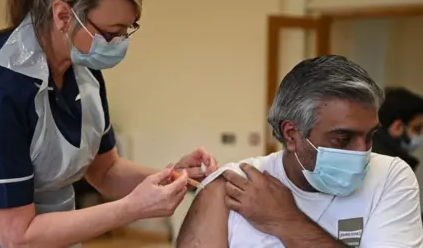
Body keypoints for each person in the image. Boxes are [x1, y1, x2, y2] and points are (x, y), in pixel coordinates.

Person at [0, 0, 218, 247]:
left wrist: (176, 176)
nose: (119, 44)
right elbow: (18, 235)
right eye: (111, 34)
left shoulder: (84, 71)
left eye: (127, 31)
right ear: (63, 15)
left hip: (53, 234)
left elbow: (106, 171)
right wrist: (132, 208)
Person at [177, 55, 423, 248]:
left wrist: (286, 220)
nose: (362, 152)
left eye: (370, 135)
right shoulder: (230, 188)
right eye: (343, 139)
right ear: (292, 134)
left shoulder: (391, 177)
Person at [372, 87, 423, 171]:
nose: (420, 134)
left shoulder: (370, 150)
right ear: (397, 127)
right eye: (417, 128)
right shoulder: (391, 166)